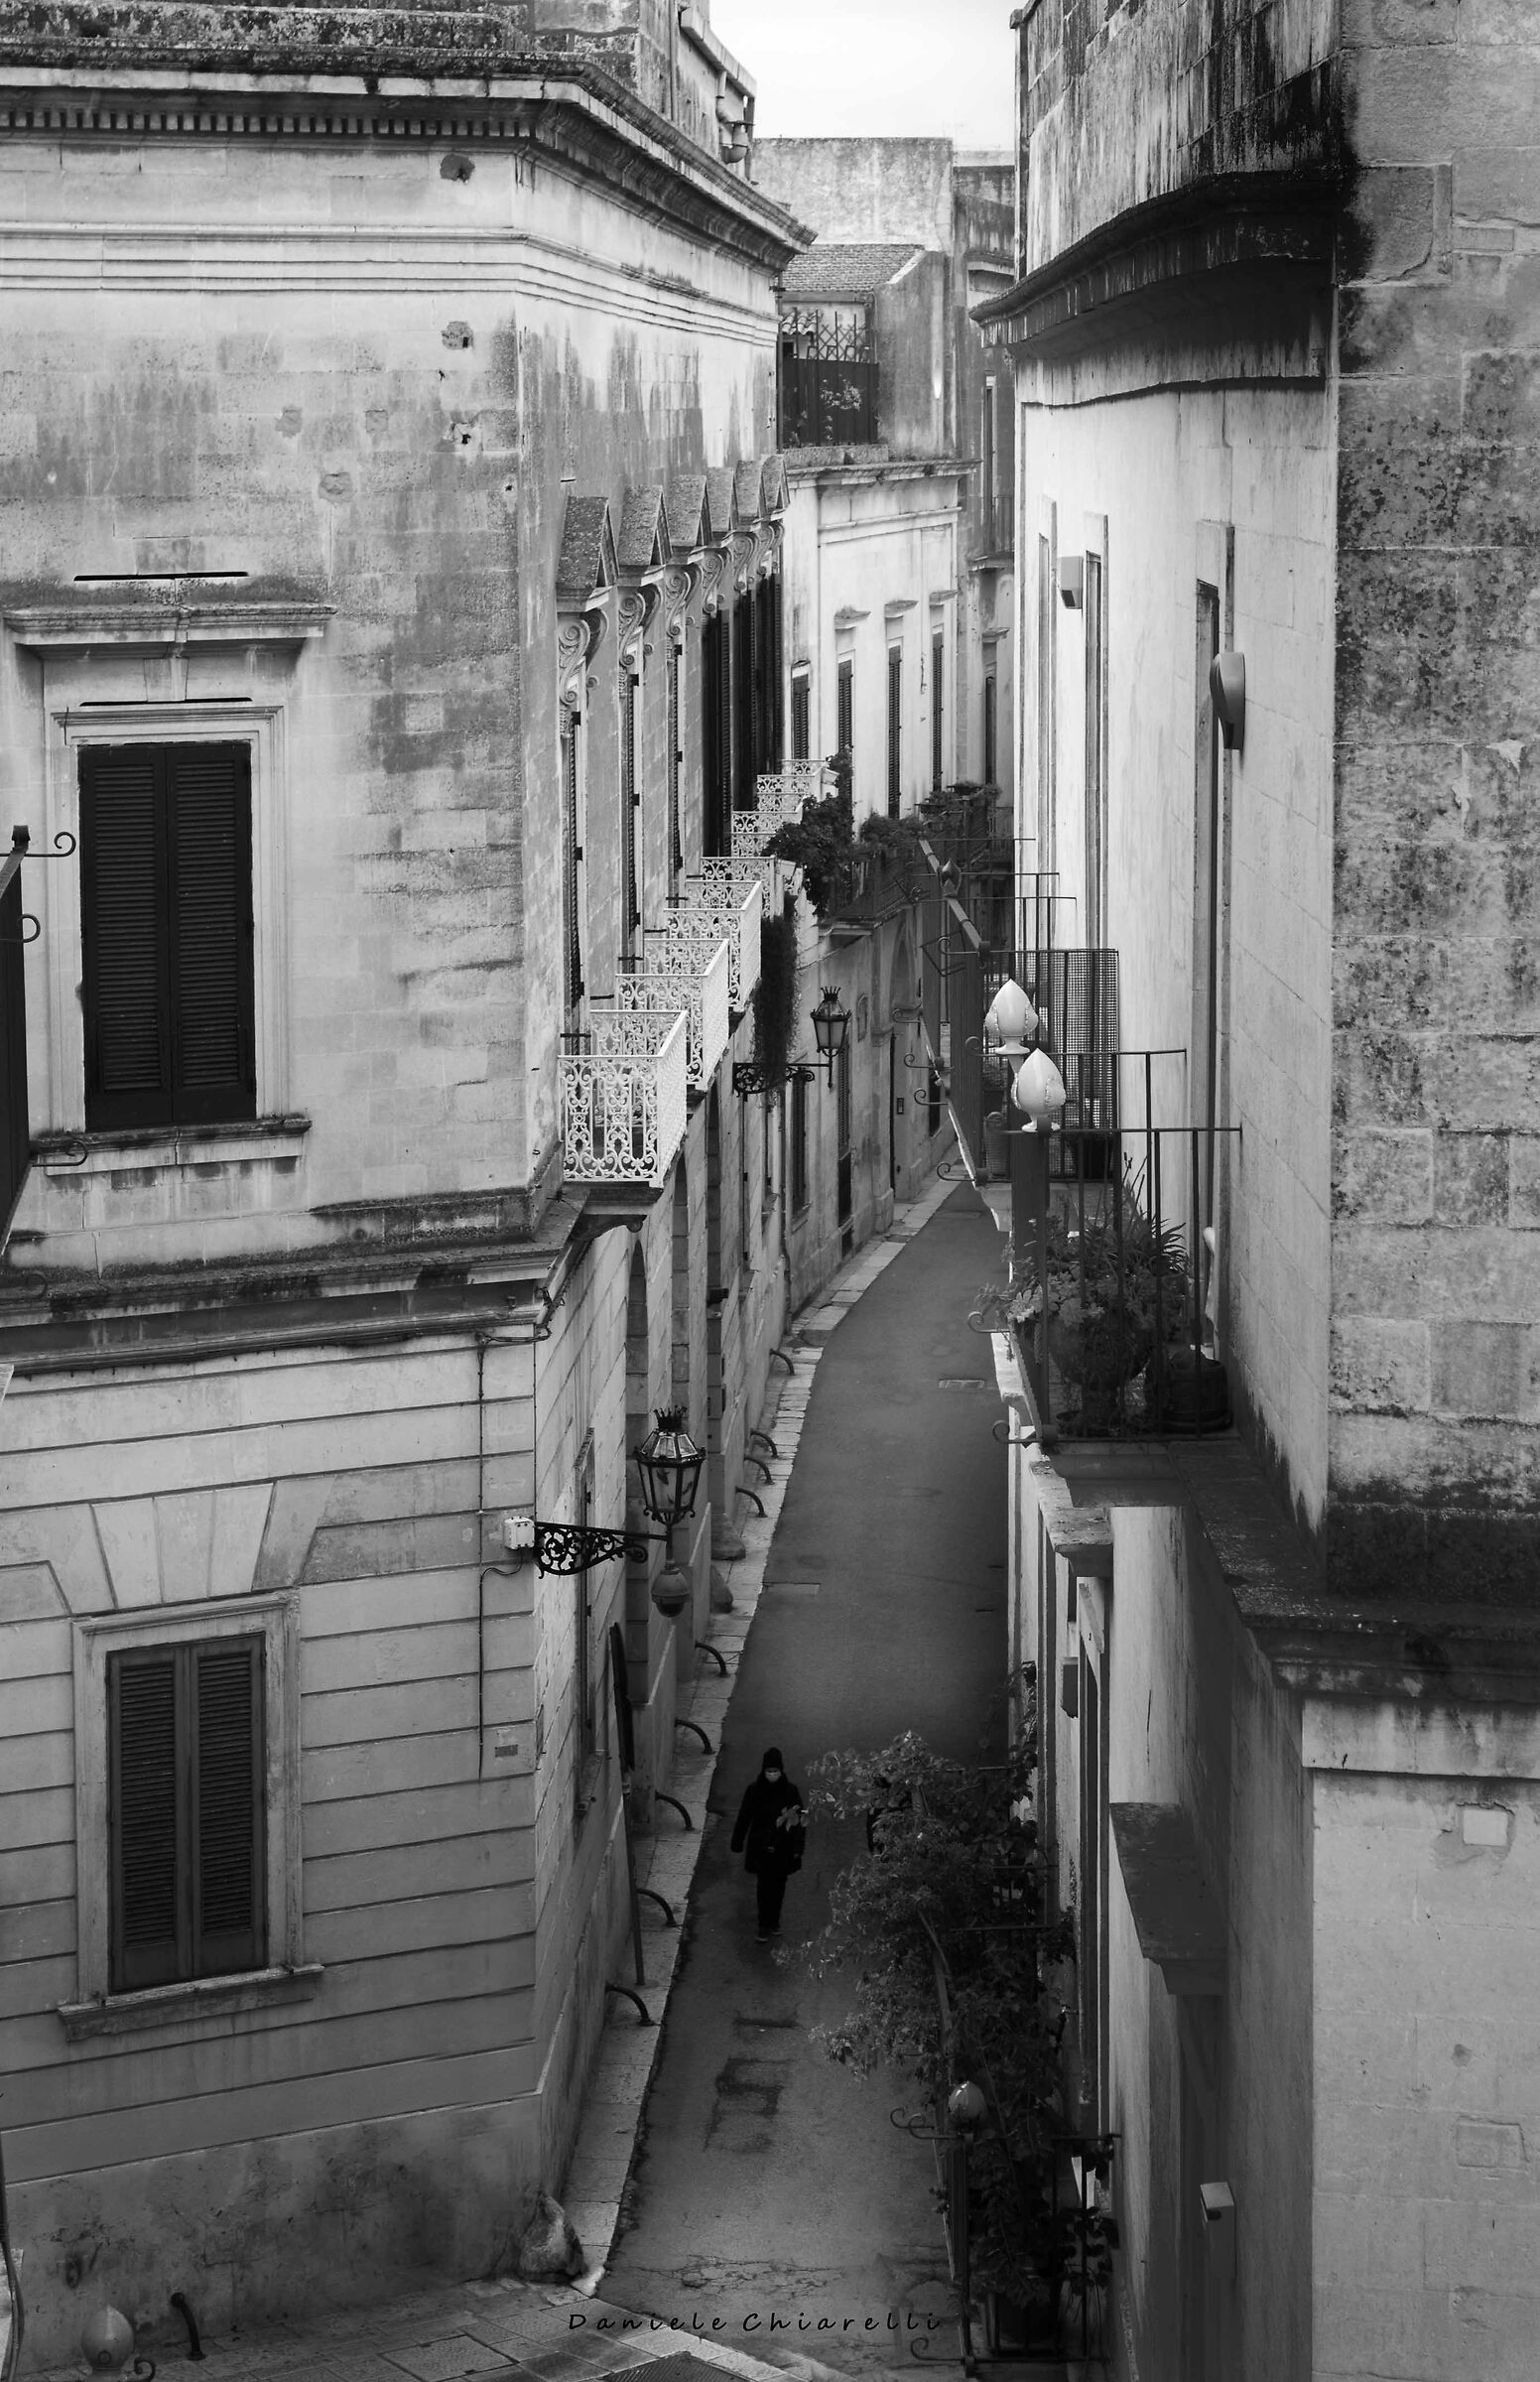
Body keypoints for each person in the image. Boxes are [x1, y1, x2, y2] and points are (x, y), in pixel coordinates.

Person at [729, 1746, 806, 1941]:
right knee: (764, 1886)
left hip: (784, 1846)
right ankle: (764, 1924)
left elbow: (799, 1822)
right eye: (769, 1771)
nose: (772, 1774)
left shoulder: (791, 1791)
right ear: (764, 1771)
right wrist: (737, 1840)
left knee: (779, 1885)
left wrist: (798, 1847)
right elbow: (744, 1817)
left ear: (781, 1771)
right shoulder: (754, 1791)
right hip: (761, 1846)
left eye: (775, 1771)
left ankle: (774, 1921)